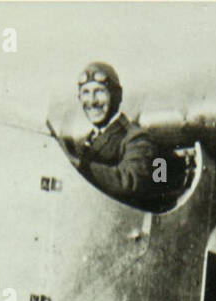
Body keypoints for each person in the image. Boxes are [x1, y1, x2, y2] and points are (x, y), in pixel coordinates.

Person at [67, 62, 165, 203]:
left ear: (116, 95)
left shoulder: (135, 138)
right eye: (86, 93)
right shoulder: (90, 139)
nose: (92, 101)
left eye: (99, 91)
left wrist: (80, 165)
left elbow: (130, 180)